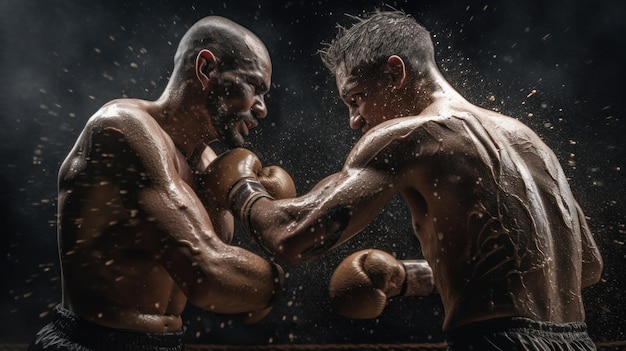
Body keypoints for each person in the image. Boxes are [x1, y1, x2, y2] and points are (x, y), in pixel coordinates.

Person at [204, 10, 604, 351]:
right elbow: (585, 266)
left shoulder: (408, 135)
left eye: (356, 98)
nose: (355, 120)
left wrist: (240, 187)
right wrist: (408, 277)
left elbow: (293, 236)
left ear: (395, 72)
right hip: (578, 340)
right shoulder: (529, 141)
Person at [28, 16, 295, 351]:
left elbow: (241, 304)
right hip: (91, 344)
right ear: (206, 68)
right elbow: (210, 277)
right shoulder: (123, 128)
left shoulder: (210, 164)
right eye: (254, 87)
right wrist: (284, 274)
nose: (262, 109)